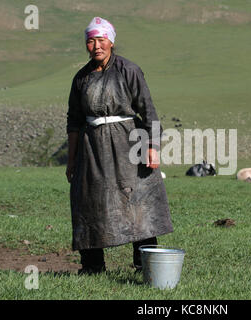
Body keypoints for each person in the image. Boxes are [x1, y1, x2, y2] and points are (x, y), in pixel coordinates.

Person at [66, 17, 173, 275]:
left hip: (128, 143)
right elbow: (74, 121)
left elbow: (148, 110)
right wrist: (72, 160)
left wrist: (153, 147)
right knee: (89, 201)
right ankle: (92, 266)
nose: (96, 46)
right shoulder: (81, 78)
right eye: (90, 41)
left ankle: (144, 264)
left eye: (101, 39)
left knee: (138, 200)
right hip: (92, 148)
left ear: (111, 41)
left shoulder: (129, 70)